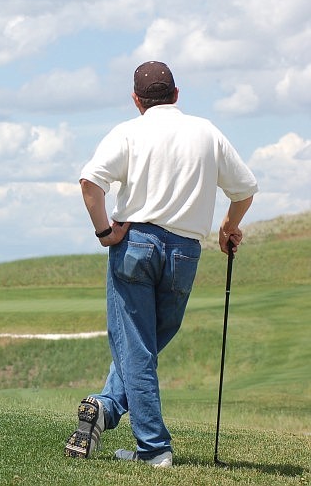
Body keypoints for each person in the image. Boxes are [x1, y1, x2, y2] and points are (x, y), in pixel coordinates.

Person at [64, 61, 258, 468]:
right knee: (144, 349)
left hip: (135, 244)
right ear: (176, 94)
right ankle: (106, 410)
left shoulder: (128, 132)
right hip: (185, 252)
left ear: (136, 100)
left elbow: (90, 183)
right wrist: (228, 227)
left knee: (138, 349)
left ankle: (153, 449)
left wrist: (105, 233)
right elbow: (245, 189)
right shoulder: (206, 131)